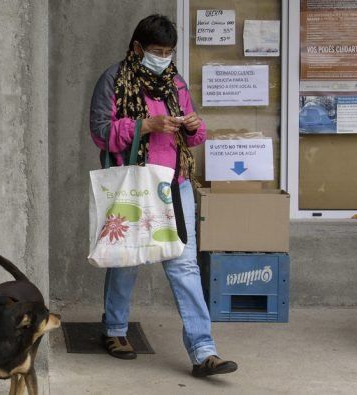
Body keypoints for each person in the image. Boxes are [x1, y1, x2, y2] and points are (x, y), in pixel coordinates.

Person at [88, 14, 238, 378]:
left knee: (184, 264)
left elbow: (195, 136)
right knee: (128, 260)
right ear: (137, 48)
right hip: (135, 183)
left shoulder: (176, 82)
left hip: (175, 183)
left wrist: (194, 126)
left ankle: (204, 351)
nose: (164, 58)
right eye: (157, 51)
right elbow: (100, 131)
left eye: (169, 52)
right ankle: (115, 330)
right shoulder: (113, 79)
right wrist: (145, 126)